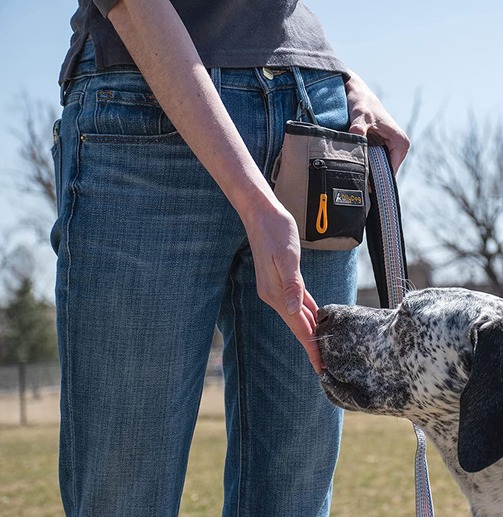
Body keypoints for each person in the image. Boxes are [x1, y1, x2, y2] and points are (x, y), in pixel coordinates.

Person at [50, 1, 409, 515]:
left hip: (313, 114)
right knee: (124, 497)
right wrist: (254, 200)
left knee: (294, 499)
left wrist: (340, 75)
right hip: (142, 108)